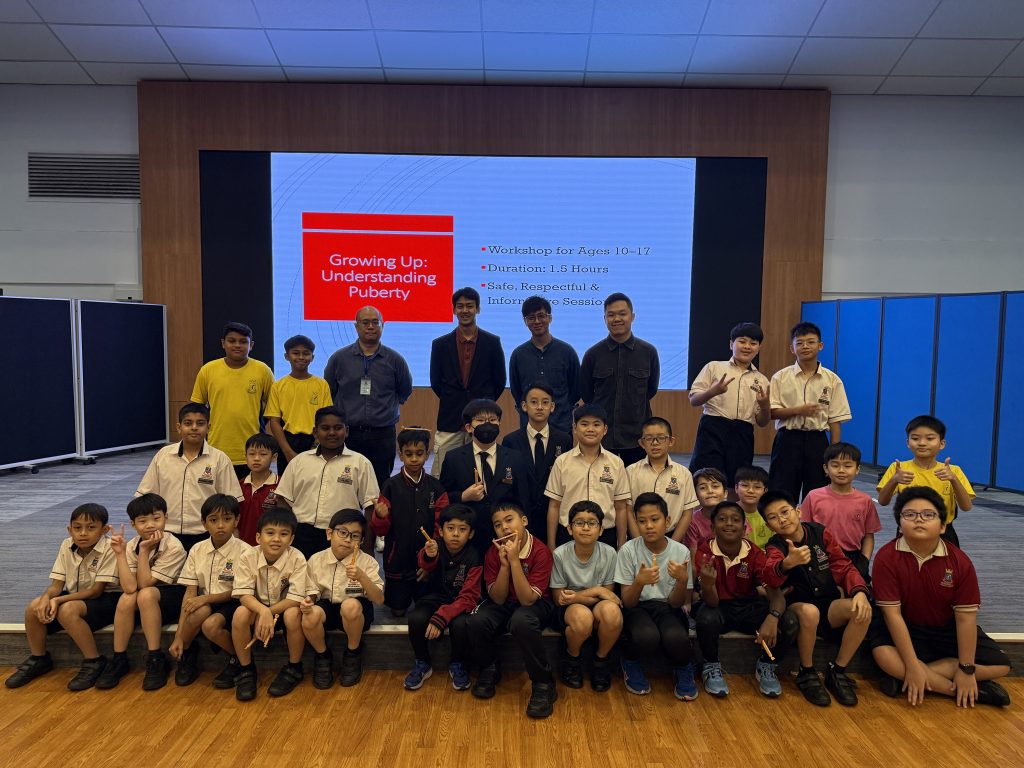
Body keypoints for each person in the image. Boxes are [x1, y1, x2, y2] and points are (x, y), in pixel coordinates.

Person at [870, 487, 1011, 708]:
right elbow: (892, 616)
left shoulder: (960, 561)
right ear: (899, 524)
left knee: (1002, 666)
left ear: (943, 526)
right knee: (883, 655)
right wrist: (912, 666)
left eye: (928, 514)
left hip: (944, 628)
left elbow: (965, 618)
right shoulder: (886, 558)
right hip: (904, 625)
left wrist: (966, 669)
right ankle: (961, 691)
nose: (919, 520)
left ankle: (905, 678)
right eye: (910, 514)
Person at [757, 490, 872, 707]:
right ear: (769, 526)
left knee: (861, 608)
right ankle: (807, 671)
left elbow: (843, 566)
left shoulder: (820, 533)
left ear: (798, 511)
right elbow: (769, 576)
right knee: (810, 611)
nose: (782, 519)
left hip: (828, 605)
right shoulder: (776, 546)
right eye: (773, 517)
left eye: (785, 512)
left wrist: (859, 592)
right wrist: (787, 564)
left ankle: (837, 671)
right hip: (798, 608)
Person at [5, 503, 117, 691]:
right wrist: (46, 598)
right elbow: (56, 585)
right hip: (75, 596)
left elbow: (96, 591)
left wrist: (57, 600)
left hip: (106, 599)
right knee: (33, 607)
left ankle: (94, 661)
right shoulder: (66, 544)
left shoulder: (110, 547)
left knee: (67, 610)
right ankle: (39, 658)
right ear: (69, 529)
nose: (83, 533)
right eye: (77, 528)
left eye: (91, 528)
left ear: (104, 530)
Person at [465, 501, 557, 718]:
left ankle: (543, 683)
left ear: (524, 521)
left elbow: (527, 599)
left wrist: (514, 561)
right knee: (476, 620)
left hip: (535, 603)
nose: (504, 528)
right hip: (506, 600)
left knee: (522, 621)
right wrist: (505, 565)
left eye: (509, 520)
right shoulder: (493, 552)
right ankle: (489, 667)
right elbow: (497, 598)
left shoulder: (541, 551)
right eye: (497, 525)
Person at [694, 500, 794, 698]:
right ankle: (711, 665)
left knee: (790, 620)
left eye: (735, 520)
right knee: (706, 617)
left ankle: (767, 665)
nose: (729, 523)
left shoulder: (755, 554)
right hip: (718, 606)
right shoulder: (705, 552)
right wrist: (707, 584)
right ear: (712, 527)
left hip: (748, 606)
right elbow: (712, 602)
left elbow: (777, 597)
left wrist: (772, 618)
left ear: (744, 527)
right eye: (722, 519)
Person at [95, 494, 187, 691]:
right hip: (144, 599)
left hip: (172, 598)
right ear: (133, 524)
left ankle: (156, 657)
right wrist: (120, 553)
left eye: (156, 518)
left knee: (145, 594)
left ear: (166, 518)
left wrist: (144, 551)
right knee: (126, 598)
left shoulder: (174, 546)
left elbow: (145, 584)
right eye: (142, 521)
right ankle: (119, 658)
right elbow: (129, 587)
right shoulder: (132, 545)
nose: (150, 525)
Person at [615, 492, 696, 700]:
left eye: (654, 519)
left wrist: (682, 580)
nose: (649, 526)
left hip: (667, 607)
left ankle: (683, 666)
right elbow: (628, 602)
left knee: (676, 637)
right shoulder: (628, 550)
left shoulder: (681, 551)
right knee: (647, 636)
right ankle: (630, 661)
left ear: (667, 521)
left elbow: (676, 603)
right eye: (642, 521)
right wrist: (639, 582)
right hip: (638, 608)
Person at [323, 307, 412, 489]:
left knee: (380, 485)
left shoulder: (395, 360)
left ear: (382, 325)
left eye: (375, 322)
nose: (370, 326)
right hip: (348, 434)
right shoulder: (339, 359)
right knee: (345, 484)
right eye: (365, 322)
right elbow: (329, 391)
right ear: (356, 326)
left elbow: (404, 391)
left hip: (383, 434)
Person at [274, 405, 379, 559]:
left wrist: (367, 546)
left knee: (340, 575)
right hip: (302, 534)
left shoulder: (361, 463)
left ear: (346, 431)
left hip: (344, 536)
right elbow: (283, 500)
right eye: (325, 428)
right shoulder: (299, 461)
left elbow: (370, 507)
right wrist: (287, 532)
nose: (331, 433)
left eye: (337, 428)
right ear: (315, 431)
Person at [135, 402, 241, 553]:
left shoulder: (219, 459)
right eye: (188, 423)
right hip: (166, 533)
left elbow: (231, 501)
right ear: (179, 427)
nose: (194, 427)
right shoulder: (163, 456)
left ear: (208, 427)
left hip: (206, 533)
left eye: (200, 423)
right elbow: (146, 496)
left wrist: (233, 535)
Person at [169, 494, 252, 686]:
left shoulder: (246, 551)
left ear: (236, 520)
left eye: (227, 519)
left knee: (210, 625)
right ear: (204, 523)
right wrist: (178, 636)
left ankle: (238, 658)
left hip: (235, 603)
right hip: (205, 601)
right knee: (198, 611)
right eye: (213, 520)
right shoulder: (197, 549)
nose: (220, 525)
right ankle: (187, 652)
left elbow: (240, 591)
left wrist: (205, 598)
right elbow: (190, 594)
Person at [768, 321, 851, 502]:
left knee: (817, 493)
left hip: (817, 441)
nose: (805, 346)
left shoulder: (832, 380)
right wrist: (798, 410)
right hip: (787, 440)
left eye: (811, 342)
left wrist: (833, 454)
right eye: (800, 343)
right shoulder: (780, 377)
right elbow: (771, 413)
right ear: (792, 348)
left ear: (820, 346)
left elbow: (835, 420)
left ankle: (813, 522)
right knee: (782, 490)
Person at [230, 507, 308, 701]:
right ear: (258, 537)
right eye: (270, 533)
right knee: (240, 613)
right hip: (256, 609)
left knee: (293, 614)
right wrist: (262, 611)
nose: (276, 539)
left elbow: (295, 598)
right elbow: (244, 595)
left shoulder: (297, 558)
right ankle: (246, 669)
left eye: (284, 534)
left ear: (291, 539)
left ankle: (294, 667)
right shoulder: (248, 556)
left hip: (282, 609)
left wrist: (267, 612)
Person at [371, 427, 450, 617]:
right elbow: (380, 531)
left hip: (427, 558)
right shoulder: (390, 486)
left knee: (425, 608)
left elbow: (442, 525)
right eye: (408, 454)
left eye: (419, 453)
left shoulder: (436, 487)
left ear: (427, 454)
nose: (414, 459)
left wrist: (430, 561)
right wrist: (380, 517)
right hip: (397, 559)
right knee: (397, 610)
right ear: (400, 454)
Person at [403, 504, 482, 691]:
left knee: (461, 624)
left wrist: (443, 616)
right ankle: (422, 662)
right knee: (416, 618)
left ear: (471, 534)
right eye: (450, 528)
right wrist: (429, 555)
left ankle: (457, 663)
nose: (455, 534)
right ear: (441, 530)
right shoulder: (435, 546)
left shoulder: (474, 556)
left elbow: (469, 596)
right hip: (433, 597)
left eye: (462, 529)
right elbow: (424, 563)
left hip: (461, 602)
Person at [439, 399, 533, 558]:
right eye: (481, 420)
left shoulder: (515, 457)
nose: (487, 424)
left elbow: (524, 499)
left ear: (499, 423)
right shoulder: (453, 458)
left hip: (506, 535)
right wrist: (463, 496)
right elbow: (443, 498)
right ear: (469, 427)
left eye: (492, 420)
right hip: (469, 537)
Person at [302, 509, 384, 689]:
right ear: (329, 533)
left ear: (361, 541)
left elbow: (379, 599)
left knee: (350, 606)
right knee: (309, 615)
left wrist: (362, 577)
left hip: (356, 612)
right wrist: (308, 600)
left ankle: (353, 653)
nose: (348, 540)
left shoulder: (367, 562)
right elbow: (312, 591)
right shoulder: (316, 560)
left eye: (355, 536)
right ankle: (323, 656)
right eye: (342, 533)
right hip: (328, 606)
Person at [429, 288, 506, 476]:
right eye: (460, 306)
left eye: (470, 306)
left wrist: (481, 404)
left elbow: (499, 380)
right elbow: (436, 382)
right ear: (454, 310)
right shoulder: (440, 345)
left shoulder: (492, 342)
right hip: (450, 420)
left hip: (482, 419)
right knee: (443, 473)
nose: (465, 310)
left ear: (477, 309)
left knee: (483, 472)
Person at [579, 292, 659, 467]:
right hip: (602, 438)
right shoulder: (592, 354)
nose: (617, 319)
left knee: (636, 483)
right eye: (611, 315)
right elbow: (587, 394)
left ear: (632, 316)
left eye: (622, 314)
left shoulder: (649, 352)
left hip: (638, 439)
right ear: (605, 318)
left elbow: (651, 390)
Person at [550, 500, 622, 692]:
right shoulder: (560, 554)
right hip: (569, 609)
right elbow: (559, 598)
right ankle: (572, 659)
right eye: (579, 523)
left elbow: (608, 595)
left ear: (601, 529)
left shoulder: (609, 553)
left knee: (612, 612)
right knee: (583, 617)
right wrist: (596, 591)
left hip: (595, 604)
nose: (586, 528)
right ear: (569, 528)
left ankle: (601, 661)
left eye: (592, 523)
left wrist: (581, 595)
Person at [688, 322, 771, 484]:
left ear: (758, 348)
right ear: (731, 344)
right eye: (742, 341)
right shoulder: (714, 367)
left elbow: (762, 422)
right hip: (712, 428)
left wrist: (765, 406)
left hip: (743, 433)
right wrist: (712, 392)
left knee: (738, 480)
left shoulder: (762, 380)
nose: (747, 346)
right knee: (706, 478)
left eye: (753, 343)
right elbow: (694, 400)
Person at [190, 321, 275, 478]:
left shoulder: (263, 371)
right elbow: (196, 409)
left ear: (251, 345)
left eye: (243, 342)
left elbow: (273, 407)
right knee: (214, 492)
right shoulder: (208, 370)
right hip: (215, 447)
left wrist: (261, 426)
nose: (237, 345)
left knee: (249, 492)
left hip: (252, 450)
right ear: (223, 343)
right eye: (232, 341)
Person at [876, 415, 975, 547]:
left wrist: (954, 479)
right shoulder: (898, 468)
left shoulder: (952, 471)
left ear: (942, 444)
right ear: (908, 442)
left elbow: (966, 507)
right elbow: (882, 501)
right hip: (908, 530)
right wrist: (894, 480)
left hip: (943, 532)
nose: (922, 443)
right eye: (915, 438)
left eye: (930, 438)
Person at [546, 403, 630, 551]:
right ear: (575, 428)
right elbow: (554, 506)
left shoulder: (616, 463)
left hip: (605, 534)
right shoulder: (562, 462)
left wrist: (622, 544)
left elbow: (621, 507)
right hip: (568, 534)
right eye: (584, 424)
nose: (590, 429)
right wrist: (551, 544)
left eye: (596, 425)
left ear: (605, 429)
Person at [801, 442, 881, 581]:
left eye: (848, 466)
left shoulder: (865, 500)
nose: (841, 470)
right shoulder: (813, 497)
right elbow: (804, 531)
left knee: (858, 591)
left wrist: (864, 560)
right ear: (826, 468)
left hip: (853, 557)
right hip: (821, 556)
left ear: (857, 469)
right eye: (835, 465)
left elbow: (868, 536)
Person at [501, 382, 573, 533]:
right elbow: (508, 481)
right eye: (534, 402)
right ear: (524, 406)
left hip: (554, 514)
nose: (539, 407)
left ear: (552, 407)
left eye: (545, 402)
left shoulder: (564, 440)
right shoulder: (510, 441)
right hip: (522, 515)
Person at [508, 296, 581, 434]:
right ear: (525, 321)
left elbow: (575, 391)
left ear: (550, 318)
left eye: (541, 316)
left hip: (561, 427)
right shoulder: (518, 355)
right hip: (529, 429)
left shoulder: (567, 352)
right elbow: (517, 393)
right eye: (531, 317)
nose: (537, 321)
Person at [265, 334, 332, 476]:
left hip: (315, 440)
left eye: (306, 353)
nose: (301, 357)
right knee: (288, 484)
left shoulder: (321, 385)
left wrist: (317, 444)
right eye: (296, 353)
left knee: (316, 482)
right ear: (286, 356)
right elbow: (274, 421)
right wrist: (287, 451)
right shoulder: (278, 386)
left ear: (312, 357)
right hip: (287, 441)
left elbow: (326, 418)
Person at [626, 417, 699, 544]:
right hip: (638, 537)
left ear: (671, 441)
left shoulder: (684, 474)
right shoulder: (631, 471)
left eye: (661, 438)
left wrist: (672, 545)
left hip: (672, 537)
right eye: (649, 438)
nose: (655, 443)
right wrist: (638, 544)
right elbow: (628, 510)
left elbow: (687, 513)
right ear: (642, 443)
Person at [238, 433, 280, 545]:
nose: (256, 458)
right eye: (251, 454)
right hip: (241, 547)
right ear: (245, 456)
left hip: (270, 546)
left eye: (263, 454)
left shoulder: (281, 486)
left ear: (274, 457)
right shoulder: (238, 486)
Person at [734, 465, 773, 549]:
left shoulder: (771, 513)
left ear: (765, 491)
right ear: (736, 488)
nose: (751, 491)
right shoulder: (728, 513)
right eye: (745, 485)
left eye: (757, 487)